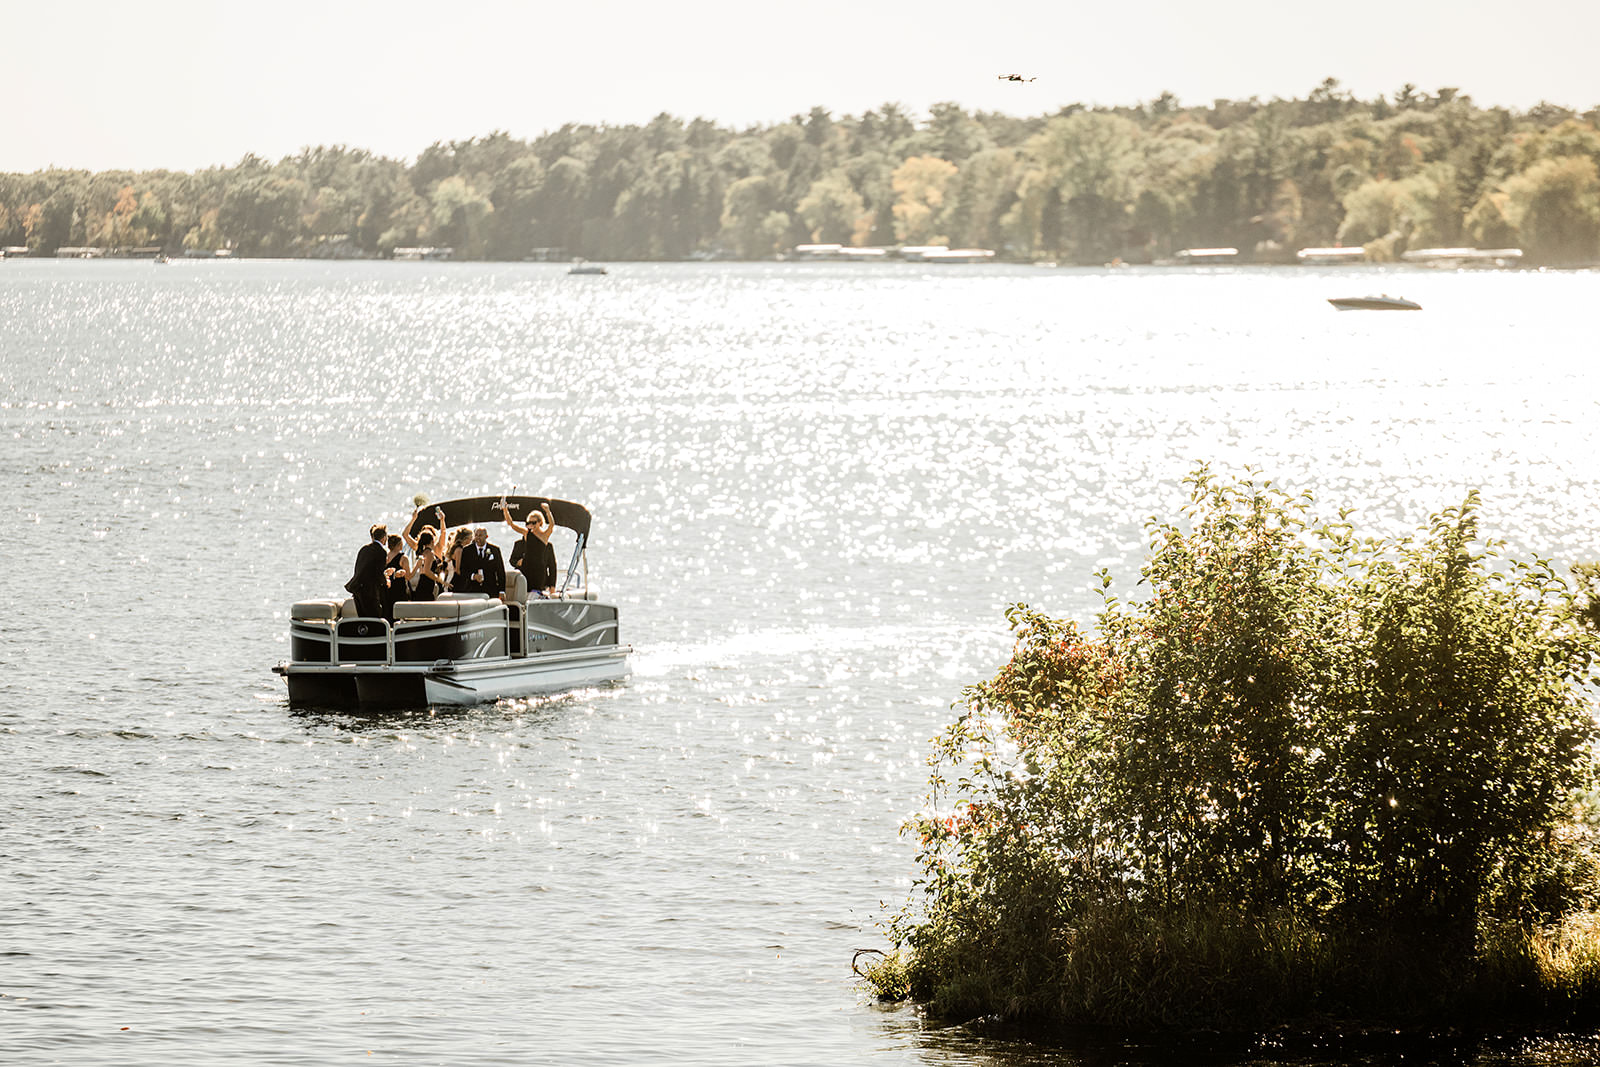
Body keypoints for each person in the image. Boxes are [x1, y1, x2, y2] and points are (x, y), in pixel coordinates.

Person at [504, 495, 558, 597]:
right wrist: (505, 509)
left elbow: (551, 524)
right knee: (524, 591)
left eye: (534, 522)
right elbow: (511, 524)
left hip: (538, 570)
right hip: (526, 568)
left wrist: (547, 510)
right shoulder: (526, 533)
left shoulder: (544, 536)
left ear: (540, 522)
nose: (531, 525)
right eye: (529, 523)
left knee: (536, 592)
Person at [345, 523, 388, 619]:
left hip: (357, 589)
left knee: (363, 618)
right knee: (374, 618)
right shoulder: (381, 552)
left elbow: (359, 569)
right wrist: (386, 581)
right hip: (370, 592)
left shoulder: (364, 549)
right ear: (384, 537)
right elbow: (378, 573)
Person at [458, 527, 506, 597]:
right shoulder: (467, 550)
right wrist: (473, 576)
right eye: (476, 535)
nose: (477, 538)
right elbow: (463, 570)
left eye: (480, 535)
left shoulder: (495, 550)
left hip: (490, 590)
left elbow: (500, 571)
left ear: (486, 537)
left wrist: (502, 591)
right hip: (472, 590)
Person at [379, 534, 411, 622]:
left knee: (388, 616)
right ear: (399, 544)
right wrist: (417, 566)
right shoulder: (403, 558)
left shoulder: (385, 557)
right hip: (399, 591)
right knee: (400, 616)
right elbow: (408, 577)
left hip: (387, 591)